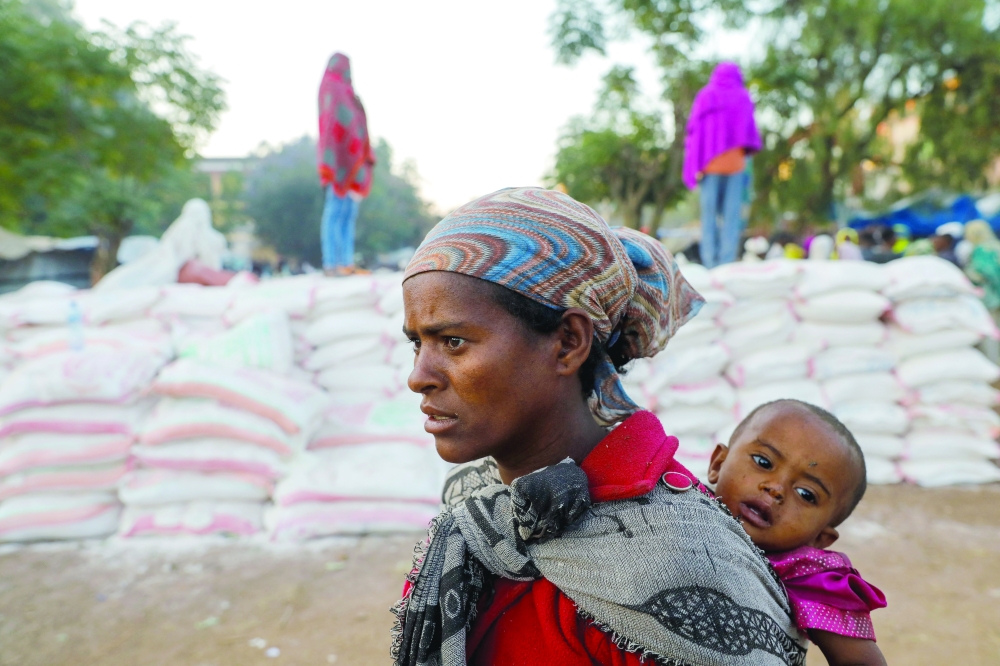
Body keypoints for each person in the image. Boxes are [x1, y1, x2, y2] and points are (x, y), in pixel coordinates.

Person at [393, 187, 808, 666]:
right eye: (416, 345)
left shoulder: (678, 556)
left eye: (454, 341)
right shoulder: (477, 502)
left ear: (568, 342)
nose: (418, 376)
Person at [707, 400, 888, 666]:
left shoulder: (808, 575)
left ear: (820, 539)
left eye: (806, 494)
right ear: (718, 464)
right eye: (763, 462)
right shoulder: (674, 503)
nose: (776, 488)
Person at [684, 63, 761, 269]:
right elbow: (749, 131)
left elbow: (693, 130)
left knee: (708, 216)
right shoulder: (742, 96)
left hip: (710, 165)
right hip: (735, 165)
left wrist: (697, 159)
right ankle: (726, 263)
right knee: (731, 217)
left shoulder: (706, 95)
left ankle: (710, 262)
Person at [317, 53, 375, 276]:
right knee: (335, 210)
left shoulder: (348, 92)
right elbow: (333, 123)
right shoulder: (331, 86)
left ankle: (346, 262)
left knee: (348, 213)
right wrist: (336, 159)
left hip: (353, 161)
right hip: (338, 159)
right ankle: (332, 263)